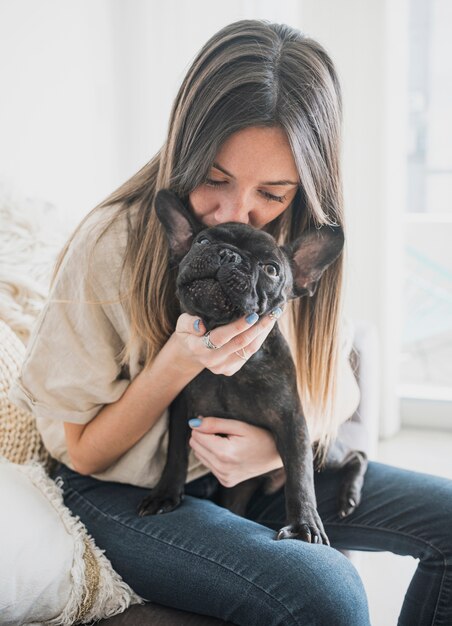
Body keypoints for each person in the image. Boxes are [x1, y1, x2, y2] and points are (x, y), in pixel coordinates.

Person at [9, 19, 452, 626]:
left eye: (271, 192)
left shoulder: (295, 245)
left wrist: (276, 450)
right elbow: (82, 454)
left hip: (249, 474)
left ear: (304, 189)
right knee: (331, 593)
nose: (236, 211)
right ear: (183, 151)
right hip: (125, 490)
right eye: (214, 179)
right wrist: (179, 360)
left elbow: (336, 381)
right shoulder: (112, 245)